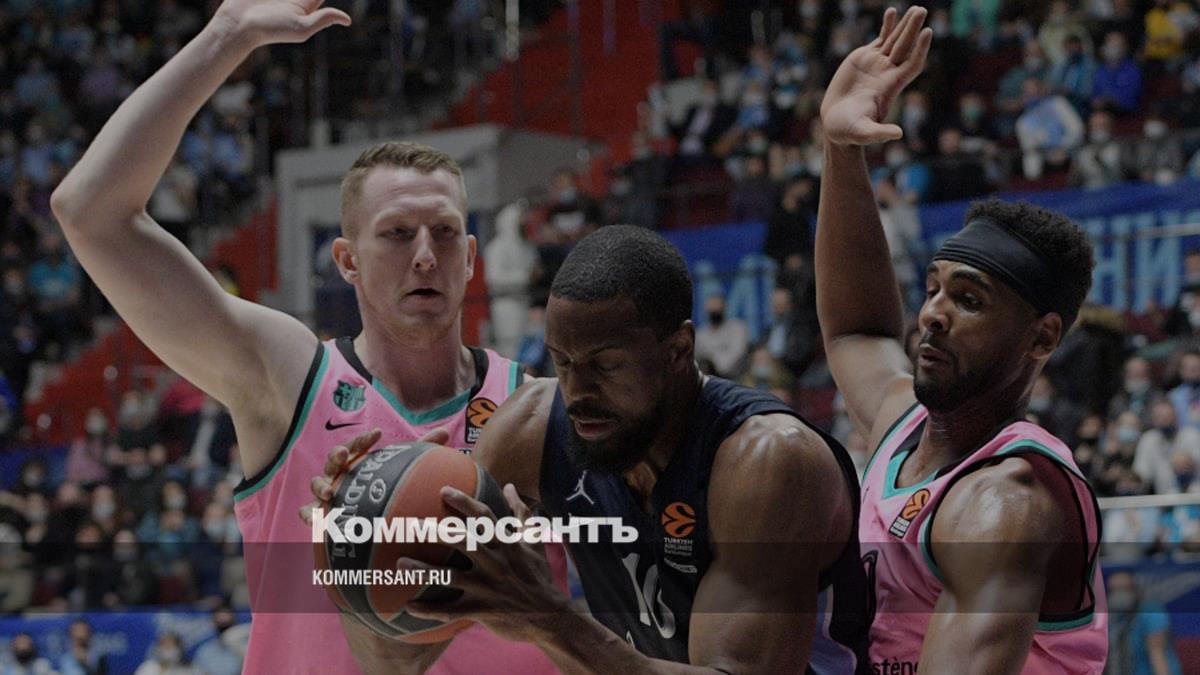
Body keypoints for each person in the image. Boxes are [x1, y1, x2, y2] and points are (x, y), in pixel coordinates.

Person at [49, 1, 561, 673]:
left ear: (470, 257)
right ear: (346, 260)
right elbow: (91, 213)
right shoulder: (289, 378)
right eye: (396, 234)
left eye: (443, 233)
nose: (424, 256)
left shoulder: (534, 409)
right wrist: (228, 36)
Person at [307, 226, 870, 673]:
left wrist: (549, 618)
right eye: (563, 362)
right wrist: (355, 542)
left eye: (606, 365)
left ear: (679, 349)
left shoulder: (768, 463)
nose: (577, 392)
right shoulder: (532, 430)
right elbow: (398, 660)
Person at [816, 6, 1106, 673]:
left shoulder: (1007, 502)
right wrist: (841, 148)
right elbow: (857, 329)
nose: (933, 315)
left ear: (1042, 338)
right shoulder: (903, 426)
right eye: (933, 289)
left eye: (969, 300)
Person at [1106, 571, 1184, 675]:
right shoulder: (1112, 617)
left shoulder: (1151, 611)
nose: (1119, 594)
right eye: (1114, 590)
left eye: (1124, 588)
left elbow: (1157, 653)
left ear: (1135, 590)